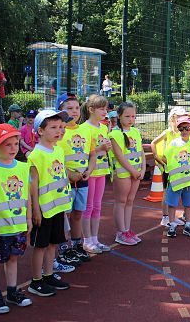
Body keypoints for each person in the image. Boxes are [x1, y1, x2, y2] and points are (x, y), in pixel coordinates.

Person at [0, 124, 32, 313]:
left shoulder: (22, 168)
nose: (13, 148)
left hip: (17, 226)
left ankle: (12, 292)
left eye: (15, 144)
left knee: (13, 259)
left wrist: (28, 219)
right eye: (7, 145)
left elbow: (26, 197)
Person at [28, 109, 71, 297]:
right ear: (40, 131)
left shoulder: (59, 150)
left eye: (61, 127)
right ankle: (35, 281)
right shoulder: (35, 156)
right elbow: (33, 186)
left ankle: (48, 274)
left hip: (58, 207)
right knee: (41, 245)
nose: (59, 130)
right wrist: (35, 210)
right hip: (44, 210)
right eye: (53, 127)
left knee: (53, 243)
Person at [56, 93, 94, 265]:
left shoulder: (86, 129)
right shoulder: (58, 132)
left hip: (83, 179)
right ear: (61, 111)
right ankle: (64, 249)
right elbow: (54, 158)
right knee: (65, 215)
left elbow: (92, 153)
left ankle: (77, 245)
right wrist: (68, 174)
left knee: (78, 213)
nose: (74, 111)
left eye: (77, 108)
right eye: (69, 108)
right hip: (65, 182)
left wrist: (89, 170)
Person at [109, 102, 145, 245]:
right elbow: (120, 157)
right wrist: (133, 171)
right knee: (121, 201)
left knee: (130, 201)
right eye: (127, 116)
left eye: (133, 116)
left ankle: (127, 229)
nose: (131, 119)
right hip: (123, 173)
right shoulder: (114, 134)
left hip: (135, 172)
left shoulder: (135, 131)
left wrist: (141, 170)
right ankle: (121, 232)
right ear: (119, 116)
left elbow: (141, 151)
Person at [81, 95, 113, 253]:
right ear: (91, 109)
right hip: (89, 171)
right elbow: (83, 152)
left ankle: (95, 238)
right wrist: (100, 148)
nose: (104, 111)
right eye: (101, 108)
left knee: (97, 206)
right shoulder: (84, 128)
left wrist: (107, 147)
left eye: (105, 108)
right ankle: (86, 240)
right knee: (88, 206)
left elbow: (104, 148)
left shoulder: (103, 127)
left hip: (102, 169)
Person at [150, 107, 189, 227]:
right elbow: (153, 142)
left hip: (178, 169)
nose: (181, 119)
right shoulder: (168, 132)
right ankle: (165, 217)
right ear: (172, 118)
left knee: (175, 192)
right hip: (168, 168)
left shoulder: (183, 132)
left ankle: (171, 216)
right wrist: (156, 157)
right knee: (167, 193)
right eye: (178, 117)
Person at [163, 115, 190, 238]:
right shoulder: (173, 143)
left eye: (187, 128)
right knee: (172, 203)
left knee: (188, 204)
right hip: (176, 180)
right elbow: (165, 157)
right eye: (181, 128)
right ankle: (172, 224)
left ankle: (188, 224)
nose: (184, 131)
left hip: (189, 180)